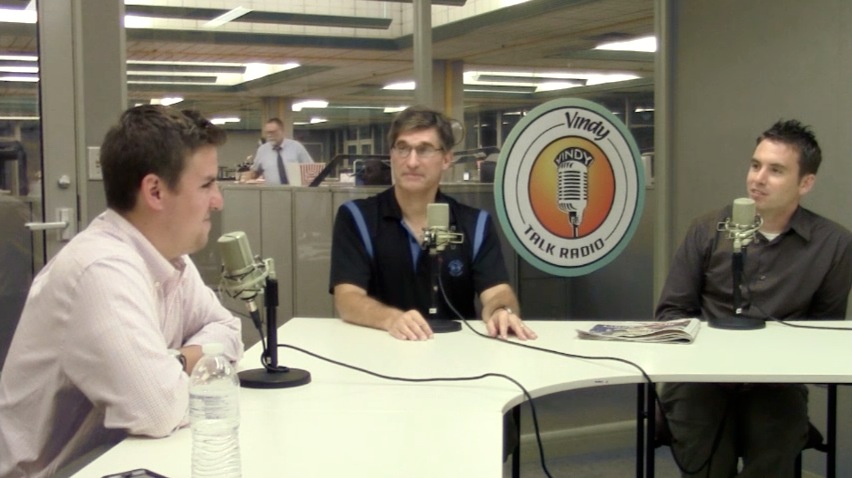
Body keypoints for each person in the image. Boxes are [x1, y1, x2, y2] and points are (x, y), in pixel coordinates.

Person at [0, 105, 244, 478]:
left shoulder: (168, 257)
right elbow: (160, 410)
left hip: (113, 459)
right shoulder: (100, 269)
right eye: (207, 184)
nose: (218, 200)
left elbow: (228, 330)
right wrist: (189, 364)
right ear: (155, 191)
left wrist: (175, 361)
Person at [655, 119, 852, 478]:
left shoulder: (833, 244)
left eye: (775, 170)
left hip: (776, 382)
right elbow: (671, 312)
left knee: (774, 453)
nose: (758, 179)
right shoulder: (707, 229)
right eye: (755, 165)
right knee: (708, 464)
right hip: (702, 379)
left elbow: (825, 331)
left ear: (805, 183)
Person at [329, 105, 537, 341]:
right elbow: (348, 298)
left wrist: (501, 311)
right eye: (403, 148)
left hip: (455, 351)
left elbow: (498, 291)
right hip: (382, 347)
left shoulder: (475, 224)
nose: (412, 162)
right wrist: (391, 319)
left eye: (424, 150)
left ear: (446, 159)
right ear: (391, 155)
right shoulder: (357, 218)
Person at [243, 117, 314, 184]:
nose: (270, 135)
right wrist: (247, 176)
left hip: (295, 190)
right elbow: (255, 172)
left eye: (273, 132)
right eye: (267, 133)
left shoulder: (296, 147)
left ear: (282, 131)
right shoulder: (262, 150)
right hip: (272, 191)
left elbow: (311, 169)